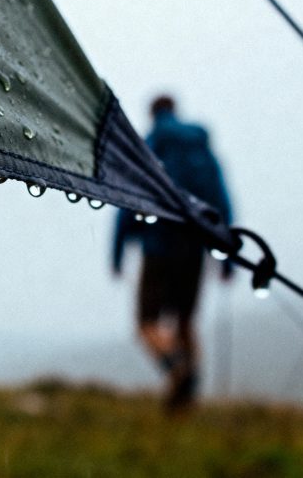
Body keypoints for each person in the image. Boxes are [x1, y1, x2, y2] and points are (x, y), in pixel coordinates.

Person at [112, 95, 233, 411]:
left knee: (146, 322)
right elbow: (221, 200)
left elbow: (128, 201)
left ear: (152, 114)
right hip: (194, 246)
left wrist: (117, 252)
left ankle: (177, 368)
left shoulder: (149, 147)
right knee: (185, 320)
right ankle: (187, 392)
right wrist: (228, 254)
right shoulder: (201, 149)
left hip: (158, 247)